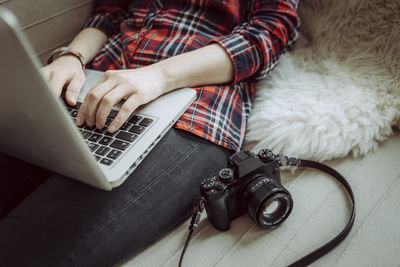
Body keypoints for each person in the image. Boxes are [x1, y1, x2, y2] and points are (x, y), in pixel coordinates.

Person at [0, 0, 299, 266]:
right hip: (96, 85)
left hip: (193, 110)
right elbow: (112, 10)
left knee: (25, 245)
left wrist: (158, 76)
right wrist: (71, 56)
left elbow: (271, 31)